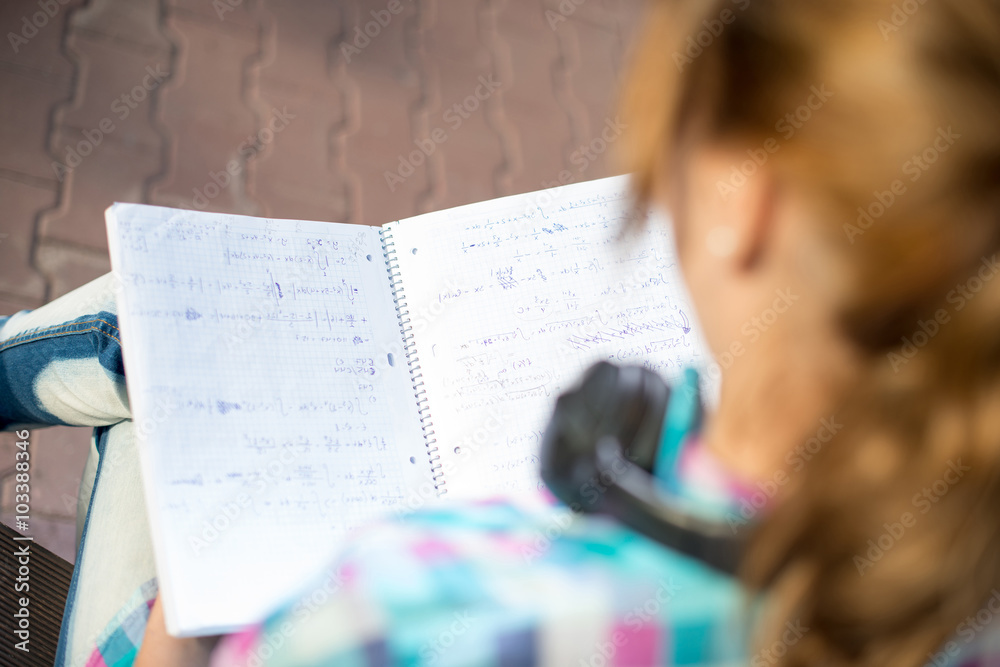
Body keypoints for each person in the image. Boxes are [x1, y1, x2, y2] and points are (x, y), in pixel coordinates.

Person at [3, 0, 999, 664]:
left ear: (747, 201)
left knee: (148, 336)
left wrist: (175, 626)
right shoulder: (956, 603)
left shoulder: (425, 609)